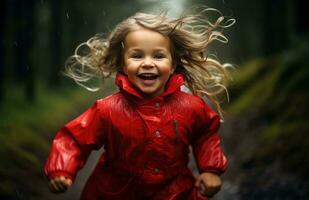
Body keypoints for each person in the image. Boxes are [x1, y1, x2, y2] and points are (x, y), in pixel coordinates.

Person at [45, 9, 235, 200]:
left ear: (173, 64)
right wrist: (61, 168)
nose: (147, 63)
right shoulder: (107, 110)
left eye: (158, 56)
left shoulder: (192, 107)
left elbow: (205, 134)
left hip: (176, 192)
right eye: (137, 56)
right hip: (114, 193)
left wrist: (210, 169)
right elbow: (74, 139)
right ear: (123, 65)